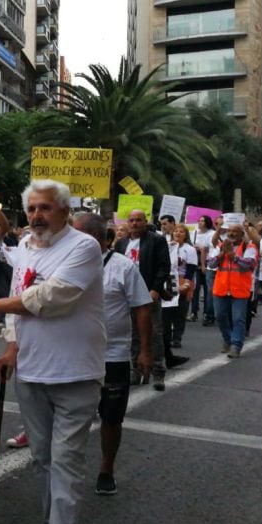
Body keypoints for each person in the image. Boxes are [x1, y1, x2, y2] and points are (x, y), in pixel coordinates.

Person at [0, 180, 105, 524]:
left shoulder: (85, 246)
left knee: (65, 459)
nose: (36, 216)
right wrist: (11, 346)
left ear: (64, 211)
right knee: (43, 458)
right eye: (31, 209)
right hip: (30, 372)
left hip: (75, 371)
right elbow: (18, 301)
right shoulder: (26, 247)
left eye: (44, 208)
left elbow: (52, 297)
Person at [71, 213, 152, 496]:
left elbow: (142, 307)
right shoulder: (64, 264)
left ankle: (106, 468)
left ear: (96, 237)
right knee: (71, 416)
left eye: (78, 233)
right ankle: (70, 469)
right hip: (74, 355)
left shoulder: (123, 267)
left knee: (111, 417)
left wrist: (143, 351)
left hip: (113, 355)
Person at [112, 209, 172, 391]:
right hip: (125, 296)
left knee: (154, 333)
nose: (135, 223)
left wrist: (155, 289)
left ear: (145, 222)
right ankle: (136, 371)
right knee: (132, 334)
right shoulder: (121, 243)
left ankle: (158, 373)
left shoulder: (156, 240)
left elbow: (163, 266)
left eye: (138, 220)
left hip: (147, 294)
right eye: (131, 220)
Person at [209, 224, 258, 357]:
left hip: (240, 289)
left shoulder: (249, 247)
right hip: (221, 288)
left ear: (242, 234)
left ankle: (236, 345)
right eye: (229, 231)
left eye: (235, 231)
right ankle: (227, 339)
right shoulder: (220, 246)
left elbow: (248, 265)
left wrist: (233, 256)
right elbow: (211, 264)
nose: (231, 233)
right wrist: (221, 255)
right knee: (220, 316)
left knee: (238, 319)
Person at [163, 226, 197, 352]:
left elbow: (191, 268)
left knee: (180, 312)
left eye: (181, 231)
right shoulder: (166, 246)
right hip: (169, 280)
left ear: (186, 235)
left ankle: (177, 338)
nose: (178, 233)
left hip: (183, 280)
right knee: (166, 311)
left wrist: (187, 284)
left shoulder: (190, 250)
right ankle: (166, 337)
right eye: (176, 230)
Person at [190, 215, 215, 323]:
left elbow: (210, 247)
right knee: (195, 289)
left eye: (203, 221)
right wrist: (194, 247)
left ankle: (207, 312)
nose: (200, 223)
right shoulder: (194, 233)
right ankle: (194, 312)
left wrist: (202, 248)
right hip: (195, 263)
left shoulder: (211, 233)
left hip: (208, 263)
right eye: (199, 220)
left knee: (207, 290)